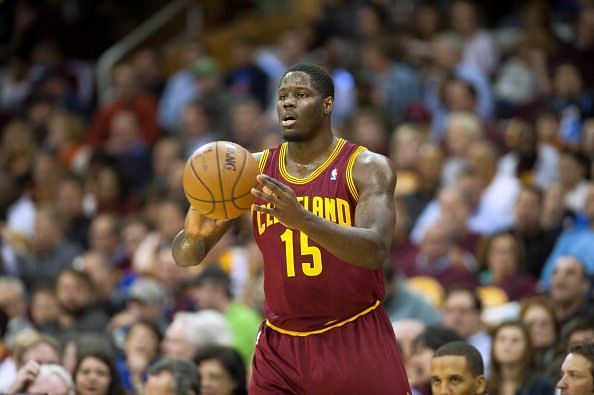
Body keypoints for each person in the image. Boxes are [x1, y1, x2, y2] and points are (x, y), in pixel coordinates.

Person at [172, 63, 410, 393]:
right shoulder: (250, 170)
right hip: (281, 345)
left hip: (352, 332)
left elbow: (375, 251)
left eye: (301, 95)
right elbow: (187, 257)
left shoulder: (366, 167)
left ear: (328, 104)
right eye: (282, 96)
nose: (288, 103)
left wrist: (302, 219)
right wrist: (194, 235)